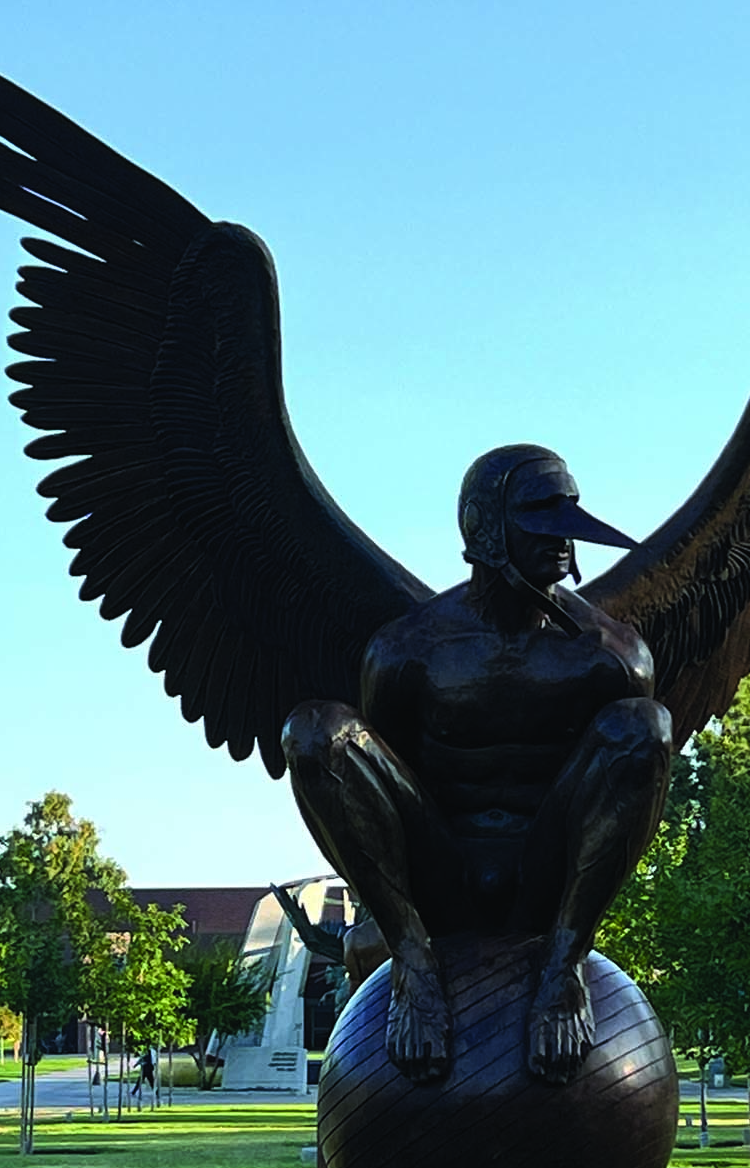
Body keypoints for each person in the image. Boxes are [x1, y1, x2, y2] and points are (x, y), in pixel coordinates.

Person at [285, 445, 672, 1085]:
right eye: (542, 511)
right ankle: (413, 964)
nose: (565, 532)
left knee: (644, 727)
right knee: (318, 733)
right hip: (443, 879)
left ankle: (562, 968)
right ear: (486, 526)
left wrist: (563, 951)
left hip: (545, 880)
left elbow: (623, 787)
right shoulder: (408, 650)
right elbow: (379, 786)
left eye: (571, 509)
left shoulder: (612, 657)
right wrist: (397, 937)